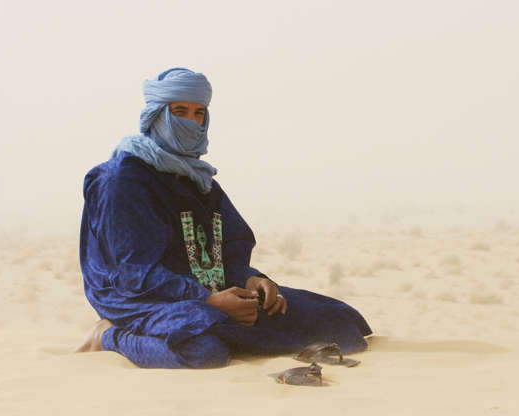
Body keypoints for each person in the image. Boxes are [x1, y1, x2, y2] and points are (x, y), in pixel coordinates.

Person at [75, 67, 372, 369]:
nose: (191, 122)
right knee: (203, 350)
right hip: (138, 299)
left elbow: (225, 249)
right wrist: (208, 300)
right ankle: (111, 335)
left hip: (209, 290)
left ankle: (223, 326)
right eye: (180, 112)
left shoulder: (199, 180)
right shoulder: (121, 180)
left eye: (198, 113)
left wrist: (252, 279)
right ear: (157, 116)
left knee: (338, 321)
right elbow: (133, 274)